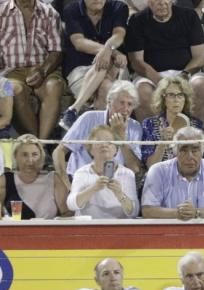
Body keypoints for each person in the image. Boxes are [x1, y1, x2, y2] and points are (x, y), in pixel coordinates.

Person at [54, 81, 143, 212]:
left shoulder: (135, 127)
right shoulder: (88, 118)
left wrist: (121, 138)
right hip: (82, 181)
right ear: (109, 102)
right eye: (121, 102)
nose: (125, 109)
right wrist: (67, 184)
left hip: (114, 183)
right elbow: (59, 151)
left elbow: (134, 168)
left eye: (129, 104)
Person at [123, 0, 204, 125]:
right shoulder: (137, 21)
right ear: (148, 2)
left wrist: (183, 76)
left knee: (203, 86)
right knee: (142, 90)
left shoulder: (189, 16)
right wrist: (161, 82)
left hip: (186, 73)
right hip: (151, 75)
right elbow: (137, 62)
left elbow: (199, 58)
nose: (162, 3)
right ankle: (154, 140)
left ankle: (196, 140)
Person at [58, 0, 130, 129]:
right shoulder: (72, 10)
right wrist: (109, 52)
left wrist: (108, 49)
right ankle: (104, 140)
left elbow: (119, 34)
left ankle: (74, 110)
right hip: (81, 68)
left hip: (116, 66)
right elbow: (79, 42)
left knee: (106, 82)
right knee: (105, 82)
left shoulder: (119, 7)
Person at [1, 0, 65, 141]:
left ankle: (40, 145)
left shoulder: (50, 13)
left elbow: (56, 50)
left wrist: (43, 71)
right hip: (11, 71)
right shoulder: (1, 12)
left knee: (54, 86)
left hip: (42, 68)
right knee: (12, 88)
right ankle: (37, 145)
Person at [141, 127, 204, 220]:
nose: (190, 156)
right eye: (184, 151)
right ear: (175, 152)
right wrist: (177, 214)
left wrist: (196, 213)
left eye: (194, 151)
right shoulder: (158, 171)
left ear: (202, 152)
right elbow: (147, 211)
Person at [66, 126, 139, 219]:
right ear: (90, 149)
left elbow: (134, 212)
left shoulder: (127, 174)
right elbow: (71, 205)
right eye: (99, 141)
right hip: (88, 227)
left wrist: (120, 194)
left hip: (117, 228)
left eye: (109, 142)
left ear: (116, 149)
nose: (104, 145)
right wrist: (93, 188)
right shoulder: (81, 173)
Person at [140, 76, 204, 169]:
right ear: (163, 99)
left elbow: (202, 161)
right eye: (171, 95)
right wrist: (162, 143)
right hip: (161, 176)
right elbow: (150, 165)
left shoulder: (196, 125)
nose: (176, 100)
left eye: (180, 95)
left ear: (185, 99)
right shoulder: (150, 124)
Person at [1, 135, 58, 219]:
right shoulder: (5, 180)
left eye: (34, 154)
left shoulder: (54, 178)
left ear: (41, 156)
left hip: (49, 230)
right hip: (17, 230)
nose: (30, 160)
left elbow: (67, 214)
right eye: (24, 155)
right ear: (16, 156)